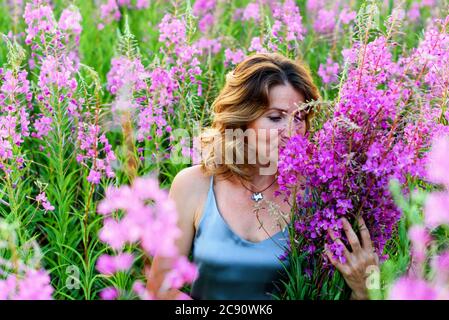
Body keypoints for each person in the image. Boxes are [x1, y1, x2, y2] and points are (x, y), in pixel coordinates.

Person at [146, 53, 379, 300]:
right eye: (276, 117)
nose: (291, 132)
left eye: (299, 118)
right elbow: (159, 288)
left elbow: (343, 290)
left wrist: (365, 289)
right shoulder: (193, 185)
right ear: (242, 119)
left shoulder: (317, 196)